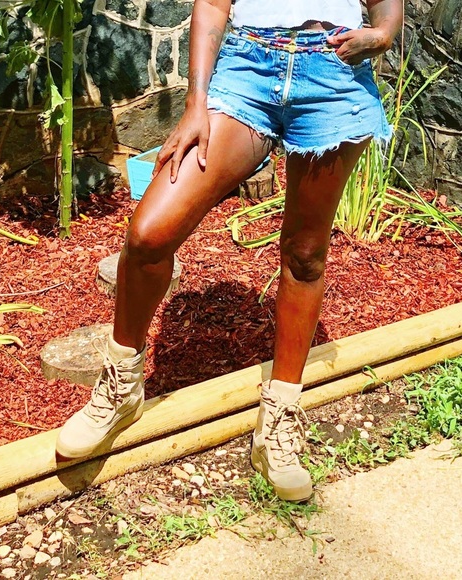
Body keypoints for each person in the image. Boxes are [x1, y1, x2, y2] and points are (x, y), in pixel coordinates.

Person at [56, 0, 403, 502]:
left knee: (305, 254)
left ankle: (279, 420)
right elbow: (213, 4)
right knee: (150, 234)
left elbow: (385, 10)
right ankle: (122, 385)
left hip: (334, 75)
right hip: (247, 70)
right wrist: (196, 102)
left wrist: (383, 33)